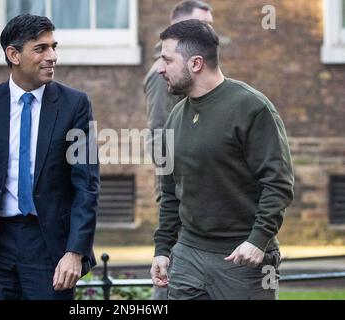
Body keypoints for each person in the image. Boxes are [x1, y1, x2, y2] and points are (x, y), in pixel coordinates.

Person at [0, 14, 99, 300]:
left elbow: (86, 186)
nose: (52, 56)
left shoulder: (75, 105)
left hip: (49, 248)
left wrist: (74, 252)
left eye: (54, 46)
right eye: (41, 48)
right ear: (13, 54)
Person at [150, 19, 294, 300]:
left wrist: (258, 241)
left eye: (167, 59)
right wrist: (163, 249)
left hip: (241, 260)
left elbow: (278, 183)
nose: (160, 68)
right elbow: (170, 192)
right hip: (188, 255)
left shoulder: (252, 108)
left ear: (195, 63)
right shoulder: (175, 118)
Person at [143, 0, 213, 300]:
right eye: (203, 26)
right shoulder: (165, 74)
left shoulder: (198, 73)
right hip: (181, 198)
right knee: (173, 276)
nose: (210, 33)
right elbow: (159, 137)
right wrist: (176, 189)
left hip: (196, 197)